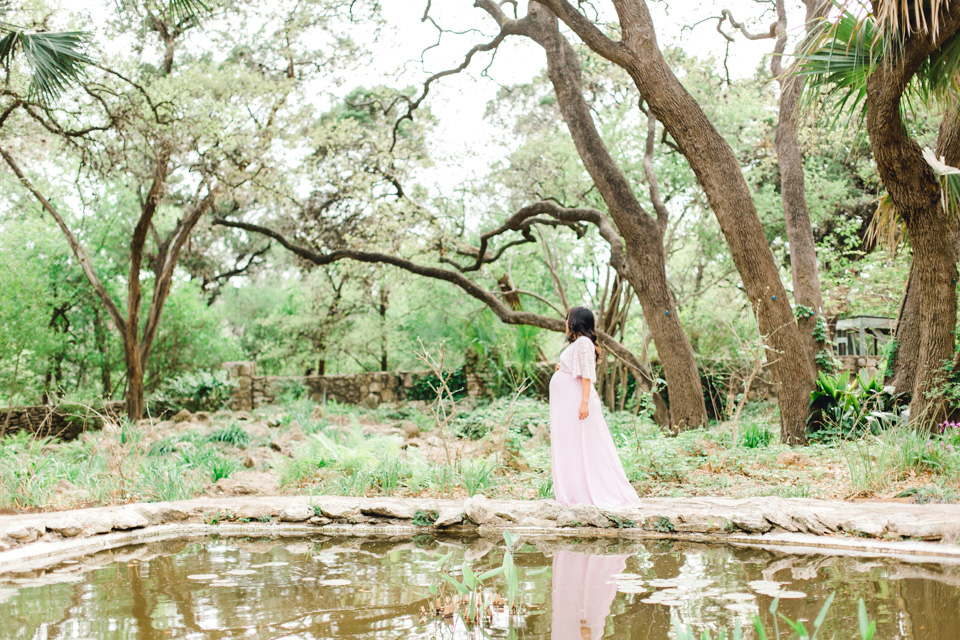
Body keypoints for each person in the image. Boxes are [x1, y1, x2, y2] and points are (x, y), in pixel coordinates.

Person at [550, 306, 641, 508]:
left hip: (578, 405)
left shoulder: (583, 343)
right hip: (569, 406)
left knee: (584, 446)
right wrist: (562, 369)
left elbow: (588, 375)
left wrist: (583, 403)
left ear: (574, 322)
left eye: (567, 319)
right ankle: (576, 492)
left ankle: (587, 493)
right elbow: (577, 370)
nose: (565, 323)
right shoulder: (580, 344)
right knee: (574, 447)